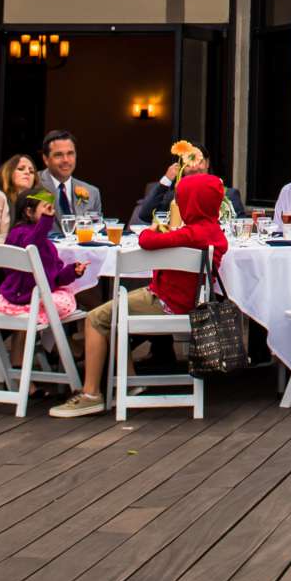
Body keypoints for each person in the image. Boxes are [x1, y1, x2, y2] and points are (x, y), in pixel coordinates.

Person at [52, 170, 230, 418]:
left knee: (95, 318)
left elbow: (146, 240)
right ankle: (131, 381)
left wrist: (159, 231)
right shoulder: (213, 233)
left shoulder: (189, 233)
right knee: (113, 315)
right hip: (192, 304)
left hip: (167, 302)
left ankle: (91, 393)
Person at [0, 186, 86, 321]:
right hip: (24, 296)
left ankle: (47, 340)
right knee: (66, 301)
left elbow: (55, 279)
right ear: (29, 212)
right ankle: (48, 335)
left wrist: (72, 271)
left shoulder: (43, 240)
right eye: (46, 207)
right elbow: (32, 246)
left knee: (69, 294)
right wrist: (46, 220)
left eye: (51, 208)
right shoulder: (19, 234)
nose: (51, 212)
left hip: (36, 293)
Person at [131, 142, 207, 229]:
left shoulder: (221, 191)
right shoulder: (173, 197)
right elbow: (145, 215)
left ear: (207, 163)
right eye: (188, 163)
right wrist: (166, 180)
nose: (194, 167)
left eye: (199, 161)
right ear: (181, 168)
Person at [36, 131, 101, 222]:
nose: (66, 160)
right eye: (58, 155)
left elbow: (96, 231)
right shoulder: (34, 184)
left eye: (70, 153)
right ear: (46, 159)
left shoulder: (92, 192)